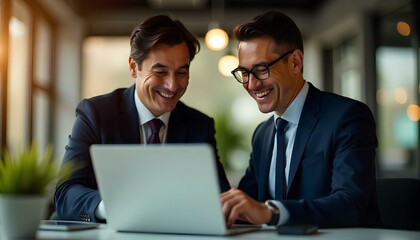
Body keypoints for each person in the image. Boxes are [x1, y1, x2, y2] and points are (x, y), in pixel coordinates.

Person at [54, 15, 230, 222]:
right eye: (160, 72)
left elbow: (221, 199)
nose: (172, 85)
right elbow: (66, 193)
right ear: (132, 67)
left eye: (181, 72)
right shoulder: (96, 114)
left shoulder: (199, 125)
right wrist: (113, 207)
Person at [221, 10, 380, 228]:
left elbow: (350, 204)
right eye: (244, 73)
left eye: (261, 69)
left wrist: (270, 213)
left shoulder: (347, 117)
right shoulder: (262, 135)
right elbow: (245, 205)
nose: (251, 84)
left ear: (295, 62)